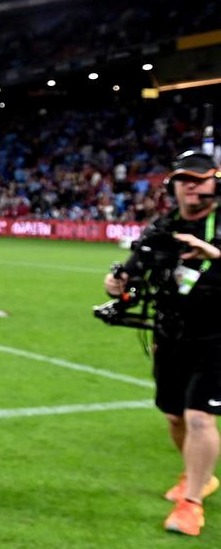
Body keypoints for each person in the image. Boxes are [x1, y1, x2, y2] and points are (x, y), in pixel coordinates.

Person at [104, 150, 221, 537]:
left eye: (199, 179)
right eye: (183, 179)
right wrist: (117, 285)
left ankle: (192, 505)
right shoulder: (162, 228)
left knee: (200, 415)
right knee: (174, 415)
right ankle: (199, 477)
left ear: (214, 183)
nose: (191, 186)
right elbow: (132, 272)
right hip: (170, 333)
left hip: (217, 334)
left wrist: (215, 255)